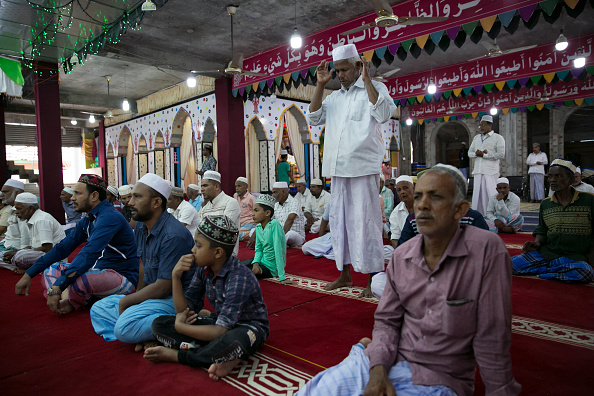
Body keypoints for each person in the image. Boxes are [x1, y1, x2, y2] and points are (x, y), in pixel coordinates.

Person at [297, 164, 521, 396]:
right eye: (419, 196)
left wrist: (500, 391)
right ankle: (364, 351)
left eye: (435, 197)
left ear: (460, 209)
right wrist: (378, 369)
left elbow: (492, 334)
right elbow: (387, 322)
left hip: (438, 377)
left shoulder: (486, 250)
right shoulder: (403, 255)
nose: (422, 205)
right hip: (382, 360)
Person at [307, 43, 397, 298]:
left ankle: (372, 278)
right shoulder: (334, 97)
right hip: (338, 170)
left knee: (367, 223)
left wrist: (368, 80)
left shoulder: (376, 88)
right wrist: (321, 85)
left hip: (363, 170)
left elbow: (382, 114)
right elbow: (313, 118)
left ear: (359, 66)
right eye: (338, 70)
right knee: (340, 222)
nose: (341, 75)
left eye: (345, 69)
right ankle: (345, 273)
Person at [144, 215, 269, 381]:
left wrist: (181, 328)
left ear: (217, 252)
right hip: (219, 323)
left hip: (247, 327)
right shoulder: (203, 270)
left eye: (198, 245)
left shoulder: (239, 277)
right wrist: (175, 276)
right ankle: (221, 355)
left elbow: (220, 331)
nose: (192, 250)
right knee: (159, 324)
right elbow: (184, 311)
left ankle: (180, 355)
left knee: (236, 340)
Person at [90, 173, 195, 348]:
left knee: (123, 327)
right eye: (131, 196)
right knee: (98, 308)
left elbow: (165, 286)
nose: (130, 202)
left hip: (176, 301)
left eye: (137, 197)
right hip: (153, 297)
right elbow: (144, 269)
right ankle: (149, 334)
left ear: (156, 203)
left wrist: (128, 302)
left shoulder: (173, 235)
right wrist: (137, 299)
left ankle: (169, 326)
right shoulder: (140, 225)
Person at [15, 174, 138, 315]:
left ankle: (69, 301)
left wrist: (58, 286)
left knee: (81, 280)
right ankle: (70, 299)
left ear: (94, 196)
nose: (72, 198)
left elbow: (88, 255)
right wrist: (29, 274)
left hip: (121, 278)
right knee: (51, 270)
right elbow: (63, 248)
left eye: (78, 193)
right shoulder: (89, 218)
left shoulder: (109, 217)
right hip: (97, 272)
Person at [512, 159, 594, 284]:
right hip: (547, 253)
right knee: (509, 264)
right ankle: (552, 271)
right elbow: (542, 229)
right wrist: (537, 243)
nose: (552, 180)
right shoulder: (546, 204)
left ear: (570, 180)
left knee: (585, 272)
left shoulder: (588, 200)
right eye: (550, 176)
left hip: (575, 256)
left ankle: (543, 271)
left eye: (558, 176)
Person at [4, 193, 65, 273]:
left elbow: (47, 248)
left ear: (30, 209)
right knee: (3, 255)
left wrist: (17, 253)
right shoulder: (31, 219)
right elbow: (33, 246)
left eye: (19, 209)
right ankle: (25, 266)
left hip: (54, 256)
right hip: (41, 255)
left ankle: (28, 267)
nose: (16, 212)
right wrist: (14, 253)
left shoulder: (41, 220)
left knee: (20, 256)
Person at [241, 194, 291, 283]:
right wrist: (256, 263)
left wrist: (282, 277)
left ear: (267, 213)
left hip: (271, 267)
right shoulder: (258, 227)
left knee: (242, 274)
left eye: (256, 211)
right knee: (237, 267)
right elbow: (258, 249)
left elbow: (278, 250)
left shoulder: (274, 224)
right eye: (253, 211)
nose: (253, 214)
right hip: (261, 261)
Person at [468, 115, 505, 216]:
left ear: (490, 125)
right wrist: (476, 154)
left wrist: (485, 155)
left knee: (491, 194)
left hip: (490, 171)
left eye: (483, 125)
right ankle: (478, 216)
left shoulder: (498, 138)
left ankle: (495, 216)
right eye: (480, 125)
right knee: (477, 195)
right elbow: (469, 153)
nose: (481, 127)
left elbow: (501, 154)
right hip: (478, 171)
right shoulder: (476, 138)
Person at [198, 170, 241, 256]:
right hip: (208, 255)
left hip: (226, 256)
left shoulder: (230, 202)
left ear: (216, 186)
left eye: (205, 185)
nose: (202, 189)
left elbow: (223, 230)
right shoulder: (205, 208)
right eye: (201, 186)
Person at [271, 181, 305, 247]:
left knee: (290, 234)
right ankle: (279, 242)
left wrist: (280, 236)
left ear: (283, 192)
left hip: (295, 235)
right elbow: (270, 220)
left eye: (275, 192)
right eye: (272, 193)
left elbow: (290, 219)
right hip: (278, 234)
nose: (273, 195)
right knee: (254, 231)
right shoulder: (275, 204)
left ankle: (277, 243)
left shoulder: (294, 202)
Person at [388, 175, 415, 248]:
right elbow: (395, 238)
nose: (402, 192)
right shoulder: (395, 213)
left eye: (405, 188)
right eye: (399, 190)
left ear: (413, 189)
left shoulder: (423, 206)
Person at [233, 177, 257, 241]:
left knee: (234, 236)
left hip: (249, 224)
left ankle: (255, 233)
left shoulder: (251, 198)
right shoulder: (235, 196)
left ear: (246, 186)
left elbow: (258, 213)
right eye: (236, 186)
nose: (237, 188)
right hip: (238, 225)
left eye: (239, 186)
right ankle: (249, 234)